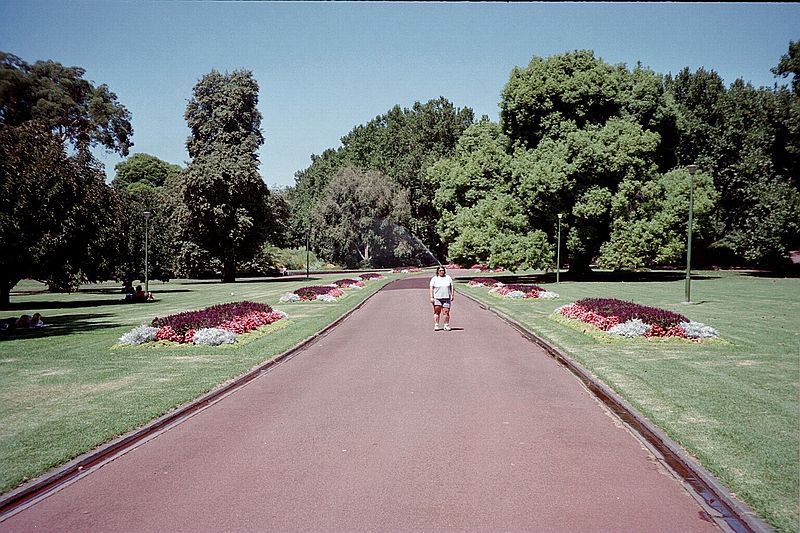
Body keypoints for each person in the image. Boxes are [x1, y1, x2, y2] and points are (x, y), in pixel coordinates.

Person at [429, 265, 455, 331]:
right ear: (437, 271)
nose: (441, 272)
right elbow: (431, 288)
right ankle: (436, 325)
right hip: (437, 297)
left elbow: (451, 286)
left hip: (446, 297)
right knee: (437, 311)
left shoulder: (448, 278)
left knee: (446, 312)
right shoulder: (434, 278)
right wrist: (432, 297)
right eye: (440, 270)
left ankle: (446, 325)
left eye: (442, 270)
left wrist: (452, 295)